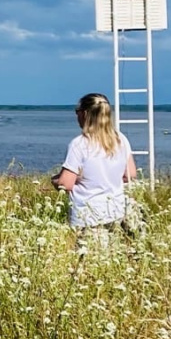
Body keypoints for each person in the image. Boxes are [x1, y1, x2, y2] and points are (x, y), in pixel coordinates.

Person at [52, 92, 137, 241]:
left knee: (89, 259)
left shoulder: (79, 144)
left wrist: (55, 180)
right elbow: (130, 174)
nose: (77, 116)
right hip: (116, 212)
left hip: (88, 217)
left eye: (77, 112)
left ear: (85, 114)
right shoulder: (120, 139)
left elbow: (66, 184)